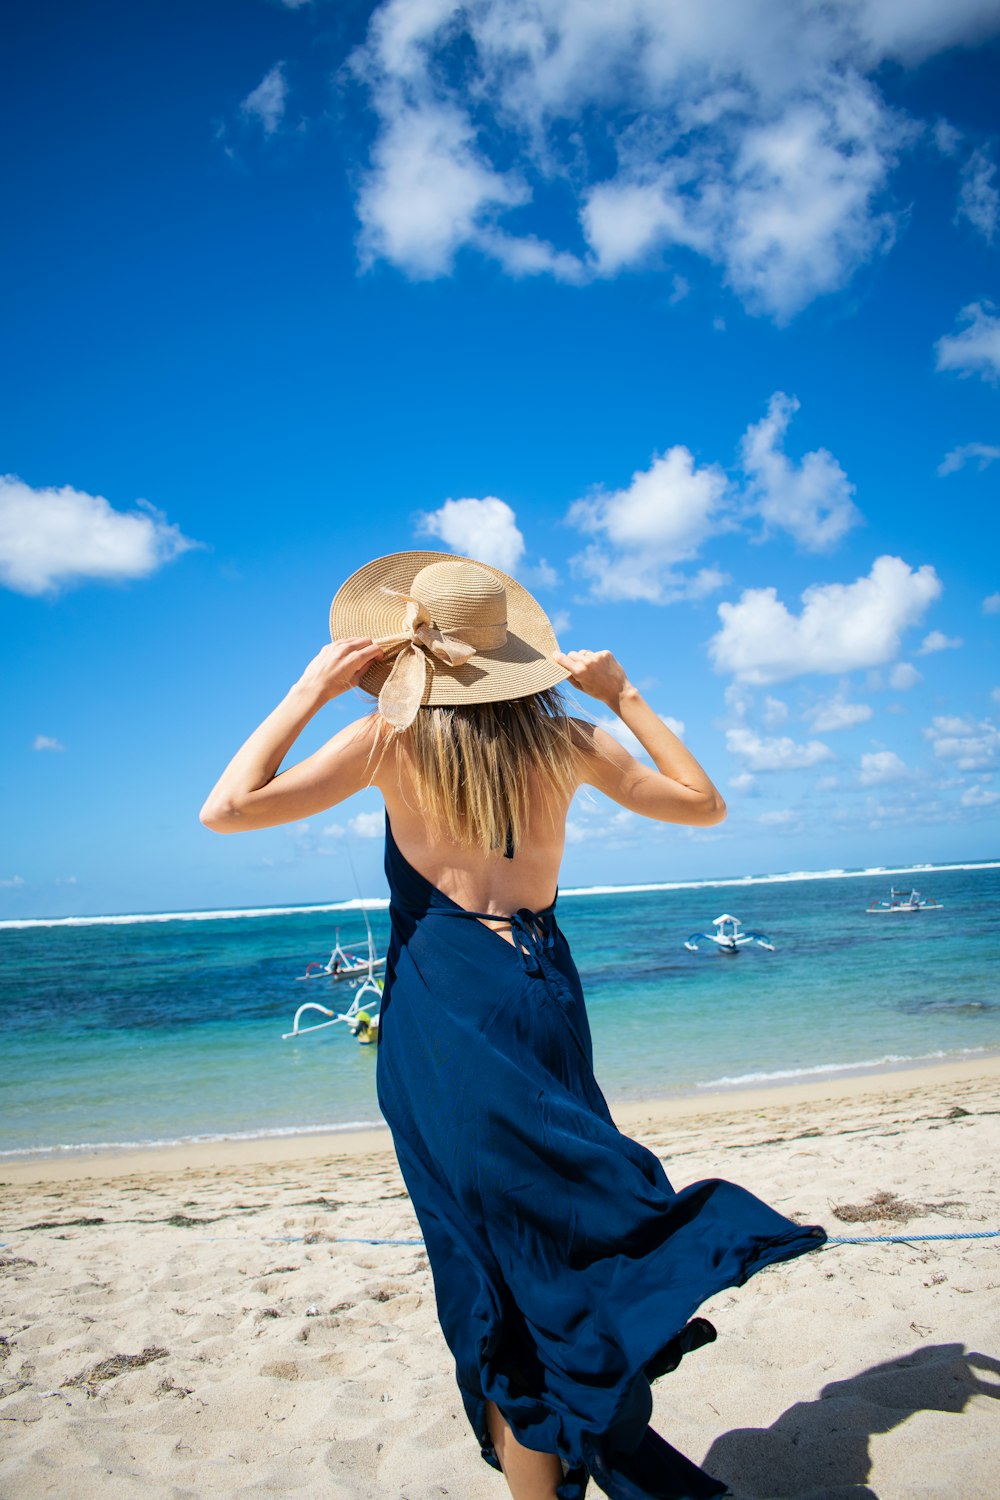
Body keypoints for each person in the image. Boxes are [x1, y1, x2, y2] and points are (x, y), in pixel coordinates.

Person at [200, 551, 826, 1500]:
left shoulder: (386, 740)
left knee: (488, 1263)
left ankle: (549, 1463)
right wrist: (627, 696)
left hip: (445, 1014)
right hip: (541, 994)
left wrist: (303, 693)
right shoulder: (566, 741)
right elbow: (704, 803)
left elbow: (227, 810)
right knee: (554, 1237)